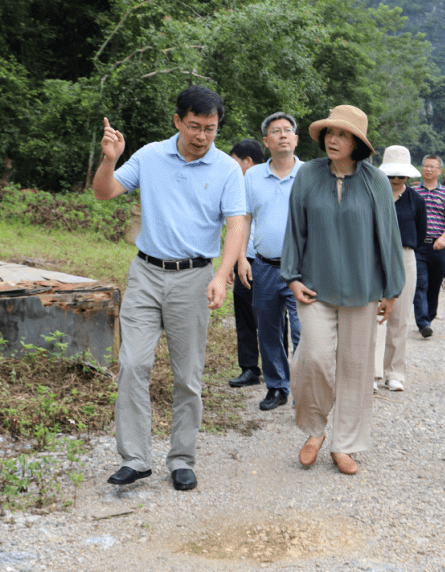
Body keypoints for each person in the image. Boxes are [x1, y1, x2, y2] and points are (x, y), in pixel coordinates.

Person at [94, 86, 246, 492]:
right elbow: (104, 192)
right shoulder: (149, 156)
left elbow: (236, 225)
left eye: (210, 128)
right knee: (133, 364)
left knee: (188, 377)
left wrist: (221, 274)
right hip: (145, 274)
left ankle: (181, 459)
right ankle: (136, 459)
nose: (202, 136)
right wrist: (109, 161)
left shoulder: (227, 170)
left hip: (194, 277)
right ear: (178, 121)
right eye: (194, 126)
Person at [281, 105, 406, 475]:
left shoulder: (376, 182)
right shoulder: (307, 175)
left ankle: (345, 444)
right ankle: (315, 430)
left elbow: (389, 236)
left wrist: (392, 288)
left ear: (358, 143)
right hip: (314, 287)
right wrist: (292, 276)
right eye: (330, 133)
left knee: (355, 367)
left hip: (363, 287)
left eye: (343, 134)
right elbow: (295, 228)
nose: (333, 140)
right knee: (313, 358)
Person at [236, 113, 304, 411]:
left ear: (296, 138)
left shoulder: (310, 174)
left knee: (305, 333)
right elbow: (244, 219)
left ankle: (306, 391)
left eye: (288, 130)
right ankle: (277, 387)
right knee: (268, 331)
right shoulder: (252, 176)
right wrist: (241, 258)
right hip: (263, 266)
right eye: (275, 131)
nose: (283, 135)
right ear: (266, 141)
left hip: (302, 269)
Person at [374, 145, 426, 392]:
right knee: (375, 316)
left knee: (400, 317)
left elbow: (422, 232)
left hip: (405, 257)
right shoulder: (373, 195)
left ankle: (394, 372)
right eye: (392, 175)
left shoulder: (416, 199)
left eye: (401, 176)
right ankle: (373, 373)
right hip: (374, 258)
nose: (396, 180)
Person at [227, 139, 266, 390]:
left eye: (235, 162)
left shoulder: (262, 184)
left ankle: (278, 368)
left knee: (271, 316)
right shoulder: (237, 185)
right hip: (244, 256)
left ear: (248, 162)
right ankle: (250, 367)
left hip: (265, 259)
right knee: (244, 313)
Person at [412, 155, 445, 338]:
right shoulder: (414, 191)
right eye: (425, 166)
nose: (428, 169)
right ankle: (423, 322)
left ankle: (429, 317)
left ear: (439, 171)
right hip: (418, 246)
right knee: (420, 283)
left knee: (434, 284)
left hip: (439, 246)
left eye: (432, 167)